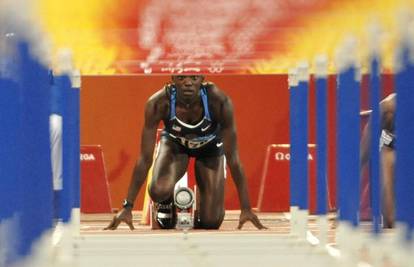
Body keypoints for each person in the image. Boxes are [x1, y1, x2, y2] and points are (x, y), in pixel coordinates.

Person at [105, 75, 266, 230]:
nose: (188, 83)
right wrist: (128, 206)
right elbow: (144, 159)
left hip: (210, 149)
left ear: (202, 78)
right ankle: (166, 201)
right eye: (182, 78)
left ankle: (205, 207)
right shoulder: (158, 103)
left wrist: (246, 208)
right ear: (173, 78)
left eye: (194, 78)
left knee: (211, 222)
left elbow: (234, 159)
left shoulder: (220, 102)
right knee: (158, 190)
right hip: (175, 145)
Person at [360, 93, 396, 228]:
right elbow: (366, 145)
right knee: (388, 161)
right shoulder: (388, 106)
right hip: (389, 145)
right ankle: (389, 219)